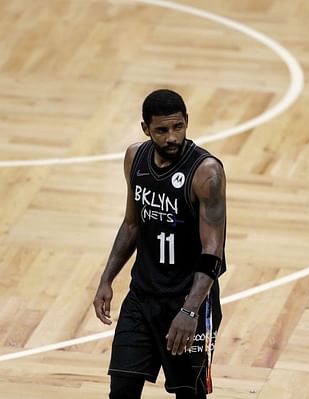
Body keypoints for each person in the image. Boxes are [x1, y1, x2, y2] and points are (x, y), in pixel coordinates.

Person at [93, 89, 227, 399]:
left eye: (178, 127)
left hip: (187, 300)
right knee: (122, 388)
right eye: (162, 130)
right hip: (142, 296)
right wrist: (106, 278)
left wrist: (190, 311)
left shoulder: (206, 173)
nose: (172, 137)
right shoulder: (135, 158)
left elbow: (212, 251)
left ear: (186, 122)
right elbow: (131, 224)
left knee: (188, 394)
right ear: (145, 129)